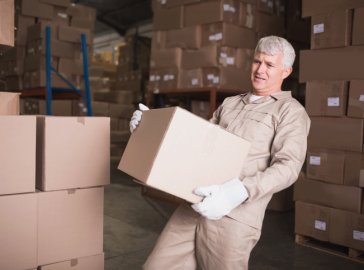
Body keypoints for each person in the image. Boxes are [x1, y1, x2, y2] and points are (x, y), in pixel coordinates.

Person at [129, 36, 311, 270]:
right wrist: (149, 129)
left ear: (286, 71)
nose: (260, 70)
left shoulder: (290, 112)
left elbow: (288, 167)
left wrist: (237, 192)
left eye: (269, 65)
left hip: (234, 215)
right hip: (194, 202)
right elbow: (199, 143)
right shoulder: (230, 103)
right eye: (257, 61)